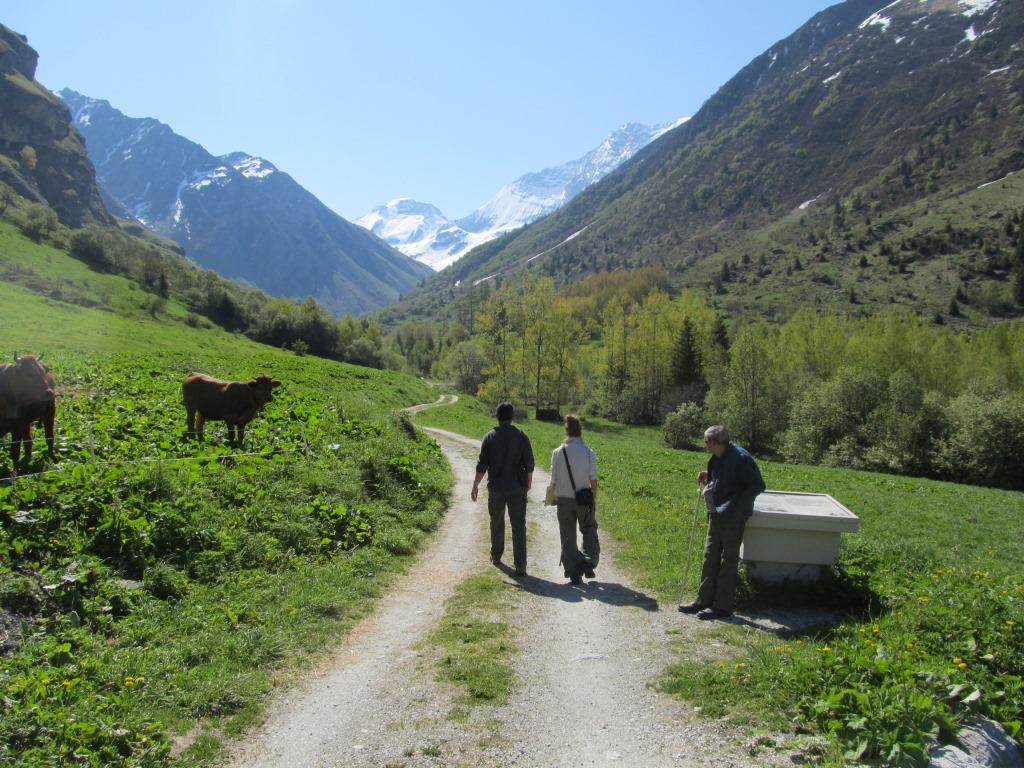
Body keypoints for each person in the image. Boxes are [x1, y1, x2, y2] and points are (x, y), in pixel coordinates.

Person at [678, 425, 765, 620]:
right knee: (710, 555)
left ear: (713, 442)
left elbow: (757, 486)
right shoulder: (718, 457)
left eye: (705, 441)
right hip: (716, 512)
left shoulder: (741, 459)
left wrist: (734, 507)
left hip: (733, 517)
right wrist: (708, 476)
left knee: (728, 559)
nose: (704, 445)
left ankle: (722, 606)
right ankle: (704, 600)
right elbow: (727, 479)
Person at [472, 402, 535, 576]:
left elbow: (482, 465)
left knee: (496, 522)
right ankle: (520, 565)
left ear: (497, 417)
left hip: (496, 488)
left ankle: (496, 556)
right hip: (517, 487)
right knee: (519, 525)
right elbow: (529, 463)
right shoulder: (521, 436)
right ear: (512, 417)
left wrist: (475, 484)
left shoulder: (490, 437)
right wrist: (528, 482)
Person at [548, 414, 599, 586]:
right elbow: (593, 480)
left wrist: (551, 498)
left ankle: (573, 573)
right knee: (589, 529)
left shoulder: (558, 452)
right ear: (580, 431)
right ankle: (588, 560)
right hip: (584, 499)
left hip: (564, 500)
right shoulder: (588, 452)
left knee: (567, 536)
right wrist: (593, 499)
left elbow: (553, 480)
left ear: (567, 431)